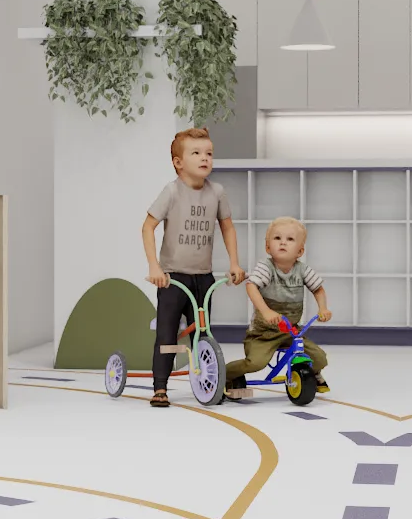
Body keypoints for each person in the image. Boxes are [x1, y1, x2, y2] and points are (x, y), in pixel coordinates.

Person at [142, 127, 245, 408]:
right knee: (166, 333)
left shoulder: (217, 192)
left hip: (203, 276)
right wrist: (155, 266)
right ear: (178, 162)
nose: (205, 158)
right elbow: (148, 226)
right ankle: (160, 387)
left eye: (209, 153)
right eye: (196, 153)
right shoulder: (172, 191)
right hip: (173, 278)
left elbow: (227, 227)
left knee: (204, 332)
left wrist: (234, 262)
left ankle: (207, 382)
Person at [225, 216, 331, 400]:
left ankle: (311, 374)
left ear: (300, 251)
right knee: (255, 363)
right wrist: (266, 311)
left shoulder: (303, 270)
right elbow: (251, 286)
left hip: (290, 331)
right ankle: (225, 373)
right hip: (263, 333)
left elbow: (318, 289)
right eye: (277, 238)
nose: (283, 242)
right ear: (268, 247)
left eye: (290, 239)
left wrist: (323, 308)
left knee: (320, 358)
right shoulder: (266, 268)